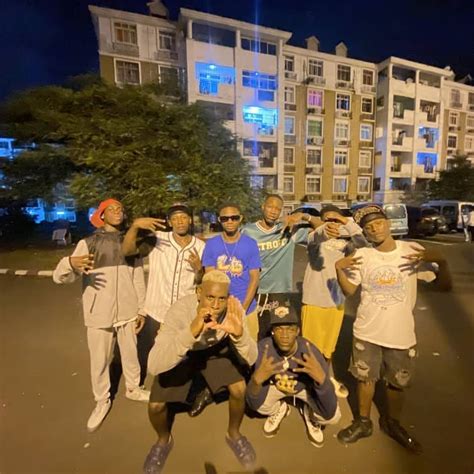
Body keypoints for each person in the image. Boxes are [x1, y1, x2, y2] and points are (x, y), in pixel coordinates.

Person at [335, 205, 452, 454]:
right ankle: (363, 422)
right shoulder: (363, 255)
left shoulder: (411, 251)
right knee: (365, 378)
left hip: (400, 333)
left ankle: (392, 423)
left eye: (378, 223)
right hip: (367, 330)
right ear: (364, 233)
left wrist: (441, 261)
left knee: (397, 383)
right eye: (368, 227)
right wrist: (339, 268)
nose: (374, 229)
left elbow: (444, 287)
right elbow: (349, 291)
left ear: (388, 223)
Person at [143, 271, 258, 474]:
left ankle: (234, 434)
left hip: (214, 351)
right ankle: (163, 440)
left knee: (239, 389)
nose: (216, 305)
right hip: (185, 351)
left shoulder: (234, 309)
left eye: (222, 298)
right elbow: (154, 365)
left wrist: (240, 337)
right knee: (156, 405)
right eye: (210, 297)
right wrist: (191, 332)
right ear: (198, 292)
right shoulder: (180, 311)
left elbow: (251, 358)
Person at [53, 199, 150, 433]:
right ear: (102, 215)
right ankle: (102, 400)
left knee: (131, 354)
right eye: (111, 209)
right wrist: (69, 263)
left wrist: (141, 309)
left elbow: (137, 277)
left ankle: (133, 388)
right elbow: (60, 278)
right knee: (100, 360)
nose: (117, 212)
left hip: (127, 310)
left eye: (120, 209)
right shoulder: (88, 243)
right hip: (98, 313)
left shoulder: (130, 242)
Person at [122, 203, 205, 378]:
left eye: (183, 217)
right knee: (150, 356)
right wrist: (135, 226)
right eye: (175, 218)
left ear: (190, 220)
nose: (180, 221)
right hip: (156, 310)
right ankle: (145, 388)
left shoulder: (200, 246)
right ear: (169, 221)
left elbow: (201, 282)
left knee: (180, 356)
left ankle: (175, 388)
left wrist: (199, 269)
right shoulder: (157, 239)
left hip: (182, 313)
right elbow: (127, 251)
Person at [246, 299, 340, 447]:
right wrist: (255, 381)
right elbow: (252, 402)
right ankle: (280, 408)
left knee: (333, 417)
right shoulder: (263, 349)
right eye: (279, 329)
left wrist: (323, 383)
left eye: (290, 329)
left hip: (305, 389)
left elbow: (330, 411)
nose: (284, 335)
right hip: (276, 387)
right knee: (259, 406)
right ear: (272, 332)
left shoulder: (310, 352)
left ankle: (310, 414)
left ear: (297, 331)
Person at [301, 205, 367, 398]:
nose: (332, 223)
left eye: (335, 219)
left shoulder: (347, 245)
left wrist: (346, 222)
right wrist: (322, 226)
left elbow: (365, 246)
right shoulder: (313, 238)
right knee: (311, 350)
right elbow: (318, 234)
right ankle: (310, 389)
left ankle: (324, 380)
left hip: (336, 300)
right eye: (327, 219)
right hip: (313, 300)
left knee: (328, 349)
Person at [242, 194, 323, 340]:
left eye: (277, 209)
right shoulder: (248, 231)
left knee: (279, 335)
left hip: (280, 291)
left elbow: (321, 228)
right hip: (256, 291)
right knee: (255, 335)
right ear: (263, 207)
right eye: (270, 207)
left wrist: (303, 216)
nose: (273, 211)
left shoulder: (289, 230)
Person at [202, 203, 261, 340]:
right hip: (218, 310)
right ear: (219, 220)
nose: (230, 221)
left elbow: (254, 278)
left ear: (241, 218)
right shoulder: (211, 244)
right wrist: (216, 309)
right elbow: (210, 279)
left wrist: (243, 309)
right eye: (225, 218)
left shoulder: (250, 244)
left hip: (246, 309)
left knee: (248, 349)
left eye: (234, 218)